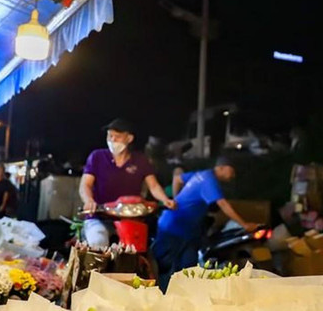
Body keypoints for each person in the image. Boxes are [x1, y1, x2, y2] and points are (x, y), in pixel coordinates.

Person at [153, 156, 258, 291]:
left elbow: (177, 179)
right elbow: (223, 204)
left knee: (188, 269)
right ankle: (161, 296)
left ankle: (183, 297)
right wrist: (244, 224)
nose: (233, 176)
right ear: (222, 168)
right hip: (174, 228)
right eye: (232, 171)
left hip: (188, 231)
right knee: (164, 267)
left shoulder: (201, 175)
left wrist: (176, 199)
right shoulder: (210, 181)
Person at [79, 118, 175, 247]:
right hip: (99, 217)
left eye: (117, 136)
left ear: (129, 139)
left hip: (131, 218)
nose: (112, 140)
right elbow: (86, 184)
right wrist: (89, 200)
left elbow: (153, 185)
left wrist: (165, 199)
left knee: (138, 247)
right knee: (98, 242)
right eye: (110, 136)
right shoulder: (97, 157)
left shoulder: (140, 160)